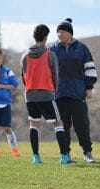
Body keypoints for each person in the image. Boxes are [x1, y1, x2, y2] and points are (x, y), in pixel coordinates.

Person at [48, 18, 98, 163]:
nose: (59, 34)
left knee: (82, 124)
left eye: (62, 31)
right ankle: (65, 154)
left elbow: (90, 69)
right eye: (58, 31)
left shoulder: (82, 48)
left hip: (78, 93)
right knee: (63, 125)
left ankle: (87, 152)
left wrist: (89, 87)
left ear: (69, 33)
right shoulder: (52, 49)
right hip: (58, 94)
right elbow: (47, 71)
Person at [20, 24, 69, 164]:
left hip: (29, 95)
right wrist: (52, 90)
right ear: (46, 37)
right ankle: (64, 156)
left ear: (34, 37)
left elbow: (23, 76)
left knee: (34, 124)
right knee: (58, 123)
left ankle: (36, 157)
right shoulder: (50, 55)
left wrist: (29, 89)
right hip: (47, 94)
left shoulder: (24, 55)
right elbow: (56, 76)